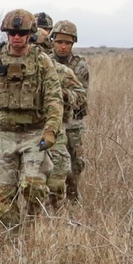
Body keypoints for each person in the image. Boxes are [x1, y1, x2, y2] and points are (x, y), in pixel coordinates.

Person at [0, 8, 63, 232]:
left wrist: (50, 130)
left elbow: (54, 98)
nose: (16, 37)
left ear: (29, 33)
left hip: (34, 132)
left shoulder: (42, 62)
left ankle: (33, 227)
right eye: (12, 33)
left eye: (21, 33)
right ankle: (14, 237)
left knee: (33, 185)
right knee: (3, 195)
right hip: (4, 133)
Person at [32, 28, 86, 207]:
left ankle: (56, 214)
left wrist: (60, 95)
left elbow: (80, 96)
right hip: (26, 131)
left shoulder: (60, 71)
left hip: (56, 129)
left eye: (40, 47)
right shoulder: (13, 69)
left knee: (58, 177)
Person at [49, 20, 90, 201]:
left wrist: (58, 93)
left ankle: (72, 199)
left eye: (67, 43)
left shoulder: (79, 66)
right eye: (59, 42)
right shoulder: (45, 61)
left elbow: (80, 96)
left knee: (75, 164)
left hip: (73, 121)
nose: (63, 47)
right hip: (52, 120)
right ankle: (52, 201)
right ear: (53, 41)